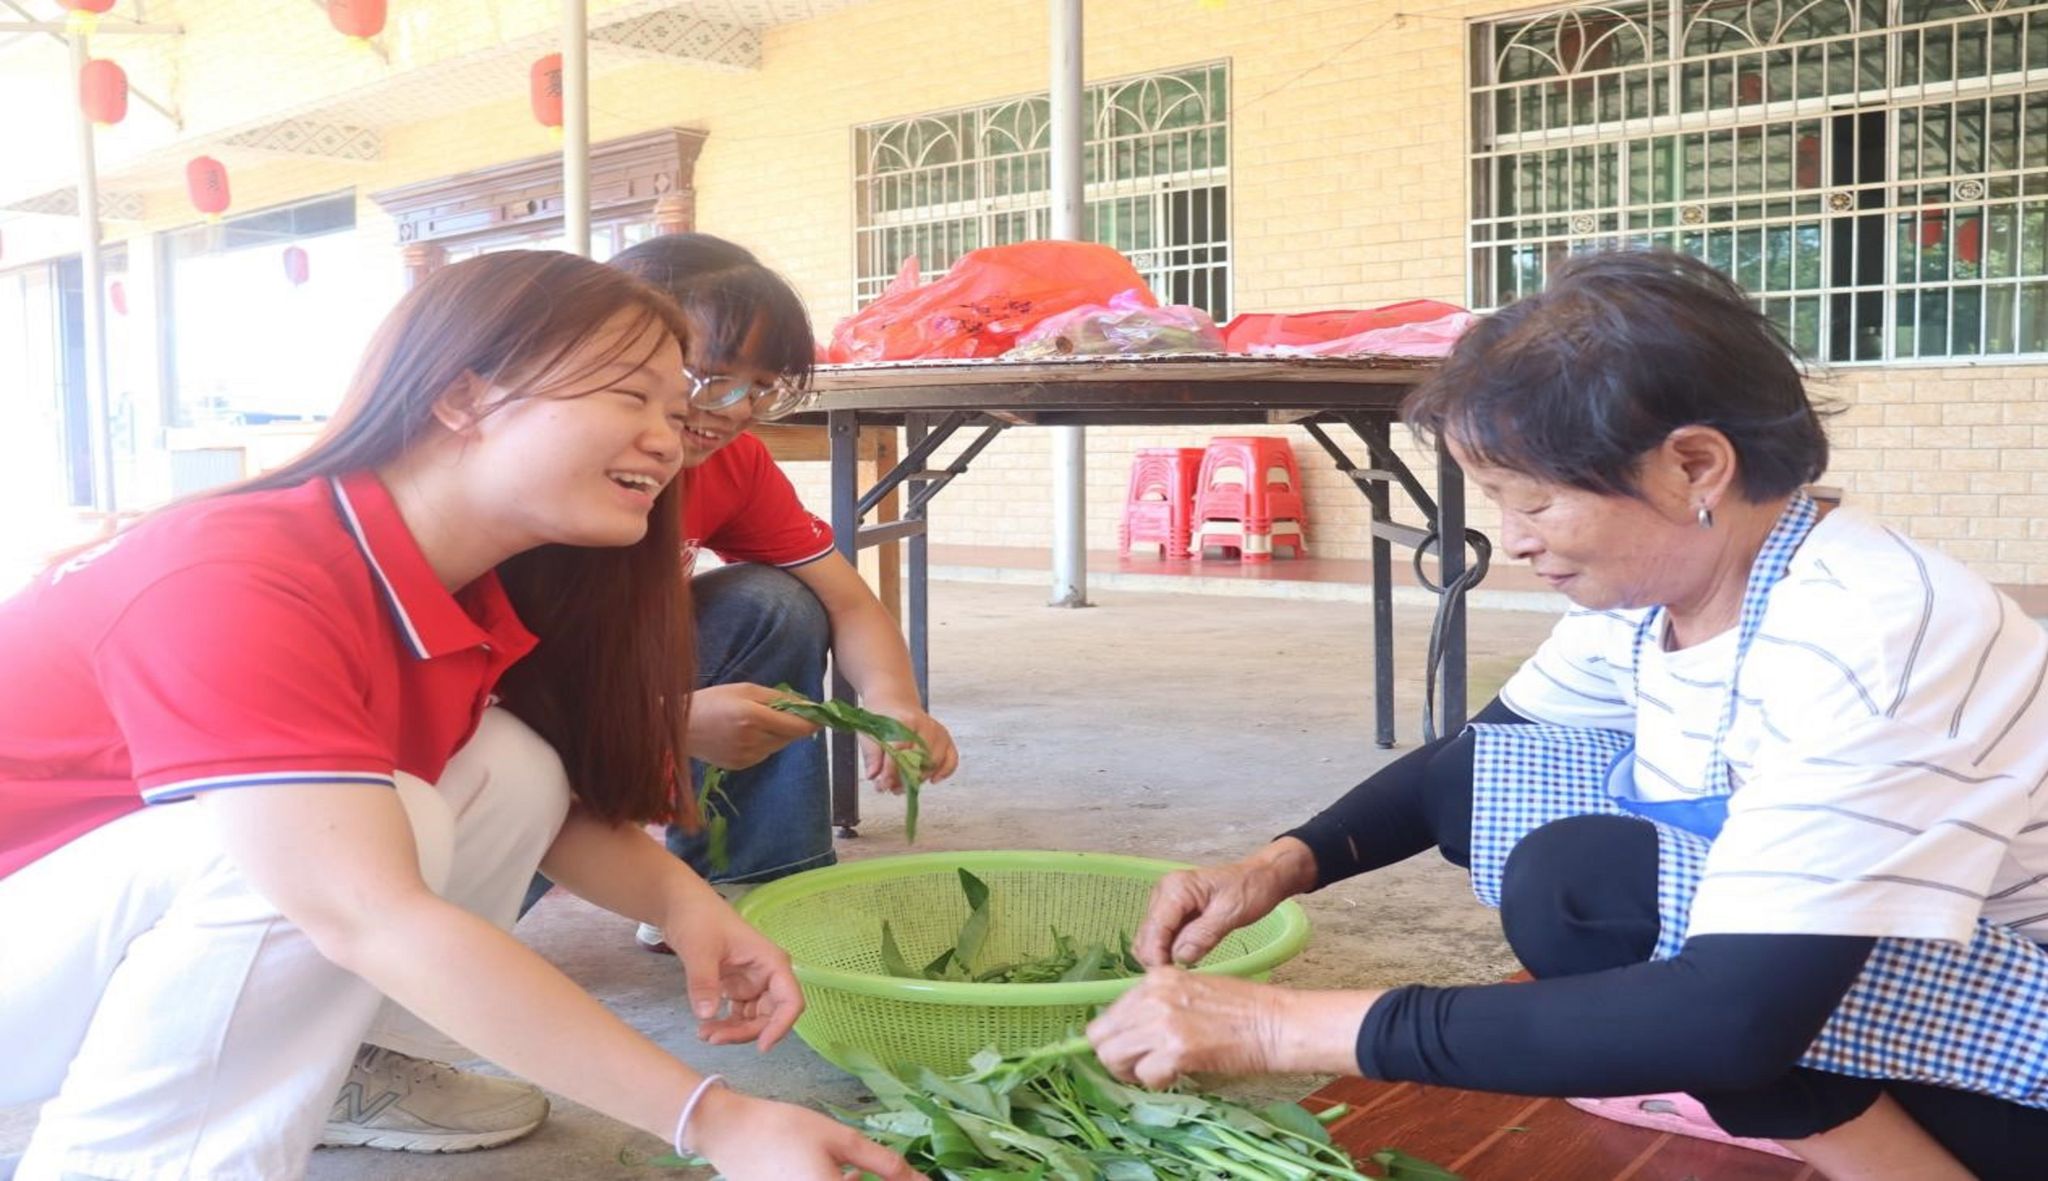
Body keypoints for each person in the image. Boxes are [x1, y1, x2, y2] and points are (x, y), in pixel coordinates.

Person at [1085, 251, 2048, 1181]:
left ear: (1694, 466)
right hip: (1875, 973)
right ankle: (1779, 1106)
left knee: (1593, 891)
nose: (1513, 539)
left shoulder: (1870, 629)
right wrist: (1274, 867)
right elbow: (1468, 768)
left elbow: (1736, 1015)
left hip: (2022, 1051)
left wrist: (1272, 1025)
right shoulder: (1660, 592)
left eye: (1536, 502)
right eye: (1499, 501)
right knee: (1515, 816)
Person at [0, 250, 919, 1181]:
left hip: (69, 949)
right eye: (630, 397)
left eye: (675, 409)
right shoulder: (238, 573)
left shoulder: (466, 583)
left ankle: (314, 1061)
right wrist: (717, 1121)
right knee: (284, 855)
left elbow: (544, 813)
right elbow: (362, 909)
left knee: (511, 767)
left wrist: (688, 908)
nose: (670, 440)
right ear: (464, 397)